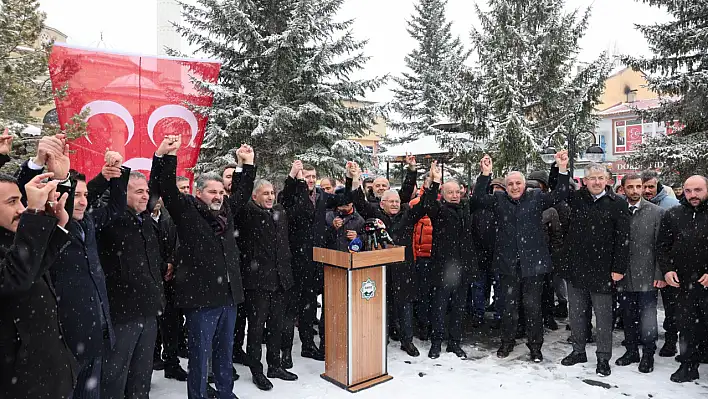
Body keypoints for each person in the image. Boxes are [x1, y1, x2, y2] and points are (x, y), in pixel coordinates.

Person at [18, 137, 129, 399]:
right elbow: (35, 204)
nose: (82, 201)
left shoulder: (88, 222)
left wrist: (115, 173)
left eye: (86, 196)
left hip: (97, 329)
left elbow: (115, 206)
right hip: (68, 335)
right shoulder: (50, 227)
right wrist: (44, 168)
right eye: (76, 195)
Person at [151, 135, 255, 399]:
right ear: (199, 193)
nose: (218, 196)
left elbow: (242, 193)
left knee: (224, 351)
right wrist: (167, 156)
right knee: (200, 355)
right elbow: (166, 188)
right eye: (212, 191)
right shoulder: (186, 211)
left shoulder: (226, 211)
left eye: (221, 192)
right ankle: (197, 395)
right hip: (201, 299)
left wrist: (246, 164)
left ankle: (225, 392)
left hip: (229, 296)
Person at [471, 151, 570, 363]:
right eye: (510, 184)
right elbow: (478, 199)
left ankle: (535, 346)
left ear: (524, 184)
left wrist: (562, 169)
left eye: (518, 183)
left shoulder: (536, 197)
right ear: (505, 186)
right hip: (507, 265)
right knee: (509, 307)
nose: (514, 187)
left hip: (533, 265)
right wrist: (485, 174)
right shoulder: (498, 200)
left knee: (533, 308)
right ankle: (507, 343)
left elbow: (560, 195)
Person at [0, 172, 77, 399]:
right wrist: (33, 214)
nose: (21, 208)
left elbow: (35, 267)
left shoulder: (11, 238)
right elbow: (15, 278)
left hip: (47, 377)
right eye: (12, 202)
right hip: (18, 385)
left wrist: (59, 225)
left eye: (22, 201)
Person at [347, 160, 434, 357]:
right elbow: (359, 202)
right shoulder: (375, 214)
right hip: (381, 270)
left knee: (404, 306)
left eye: (396, 201)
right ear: (382, 203)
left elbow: (425, 205)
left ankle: (407, 341)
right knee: (381, 306)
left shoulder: (408, 215)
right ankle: (380, 338)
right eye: (390, 201)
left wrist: (431, 183)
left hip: (404, 269)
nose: (394, 204)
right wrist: (354, 180)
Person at [98, 171, 166, 398]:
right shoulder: (110, 221)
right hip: (122, 314)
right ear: (122, 193)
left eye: (146, 191)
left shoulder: (146, 220)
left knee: (141, 376)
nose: (146, 196)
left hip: (149, 310)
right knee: (114, 376)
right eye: (139, 191)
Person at [561, 163, 630, 377]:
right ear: (585, 181)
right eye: (592, 178)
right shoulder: (576, 199)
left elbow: (623, 239)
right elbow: (559, 192)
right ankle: (578, 351)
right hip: (577, 269)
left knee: (603, 318)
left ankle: (603, 358)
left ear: (608, 180)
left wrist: (618, 268)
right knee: (577, 315)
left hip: (604, 270)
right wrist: (562, 169)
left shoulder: (617, 203)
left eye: (601, 178)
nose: (597, 182)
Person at [234, 178, 297, 391]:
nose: (270, 197)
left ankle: (274, 365)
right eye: (265, 193)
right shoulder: (248, 214)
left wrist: (293, 176)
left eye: (272, 193)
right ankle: (256, 370)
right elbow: (239, 199)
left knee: (276, 327)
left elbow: (289, 197)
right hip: (258, 284)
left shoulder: (279, 212)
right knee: (256, 329)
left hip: (280, 281)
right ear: (254, 196)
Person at [658, 175, 708, 383]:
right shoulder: (674, 214)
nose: (693, 195)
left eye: (698, 190)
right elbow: (663, 246)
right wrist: (667, 270)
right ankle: (688, 365)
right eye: (688, 191)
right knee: (686, 326)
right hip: (683, 283)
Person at [614, 173, 665, 374]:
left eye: (638, 186)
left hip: (647, 276)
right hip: (624, 276)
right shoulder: (618, 210)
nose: (635, 191)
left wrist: (660, 274)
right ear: (623, 188)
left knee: (648, 318)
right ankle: (631, 351)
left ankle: (648, 355)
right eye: (630, 187)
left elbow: (661, 247)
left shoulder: (656, 212)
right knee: (627, 315)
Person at [425, 174, 477, 359]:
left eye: (457, 191)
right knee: (439, 306)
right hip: (443, 268)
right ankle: (436, 342)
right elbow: (428, 203)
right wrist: (435, 181)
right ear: (443, 194)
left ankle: (455, 342)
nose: (455, 195)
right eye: (450, 192)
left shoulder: (466, 208)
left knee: (459, 307)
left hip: (463, 267)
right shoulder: (438, 210)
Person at [641, 170, 681, 358]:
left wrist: (667, 267)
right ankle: (647, 337)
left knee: (670, 307)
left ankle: (671, 340)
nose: (648, 190)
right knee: (646, 306)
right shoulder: (637, 205)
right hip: (645, 264)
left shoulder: (671, 205)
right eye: (645, 186)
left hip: (668, 264)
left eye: (651, 186)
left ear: (658, 185)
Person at [152, 197, 188, 381]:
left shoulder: (169, 217)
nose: (156, 200)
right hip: (152, 281)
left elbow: (178, 243)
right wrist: (161, 267)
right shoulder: (142, 219)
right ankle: (152, 358)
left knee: (172, 323)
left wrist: (172, 264)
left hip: (171, 280)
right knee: (153, 327)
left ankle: (171, 362)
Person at [528, 171, 563, 331]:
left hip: (545, 256)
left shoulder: (550, 211)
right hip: (527, 256)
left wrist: (554, 254)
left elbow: (556, 235)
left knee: (547, 290)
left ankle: (548, 316)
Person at [409, 178, 435, 339]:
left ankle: (431, 324)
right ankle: (423, 325)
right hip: (421, 257)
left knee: (434, 294)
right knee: (422, 294)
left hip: (435, 257)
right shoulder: (415, 204)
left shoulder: (440, 204)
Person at [325, 187, 365, 252]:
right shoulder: (328, 216)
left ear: (352, 203)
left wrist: (357, 238)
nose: (344, 204)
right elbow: (320, 236)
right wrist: (333, 227)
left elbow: (366, 239)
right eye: (341, 202)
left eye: (347, 202)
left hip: (351, 257)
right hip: (331, 256)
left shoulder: (360, 220)